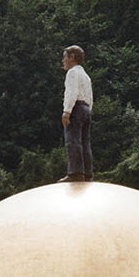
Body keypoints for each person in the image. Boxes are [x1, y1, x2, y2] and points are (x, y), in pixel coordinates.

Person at [58, 45, 93, 183]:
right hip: (86, 108)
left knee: (73, 141)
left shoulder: (72, 73)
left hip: (76, 107)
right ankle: (88, 173)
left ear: (72, 57)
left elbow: (71, 93)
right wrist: (89, 110)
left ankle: (76, 173)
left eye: (64, 57)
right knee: (85, 142)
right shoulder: (85, 75)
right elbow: (90, 96)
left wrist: (67, 111)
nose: (63, 61)